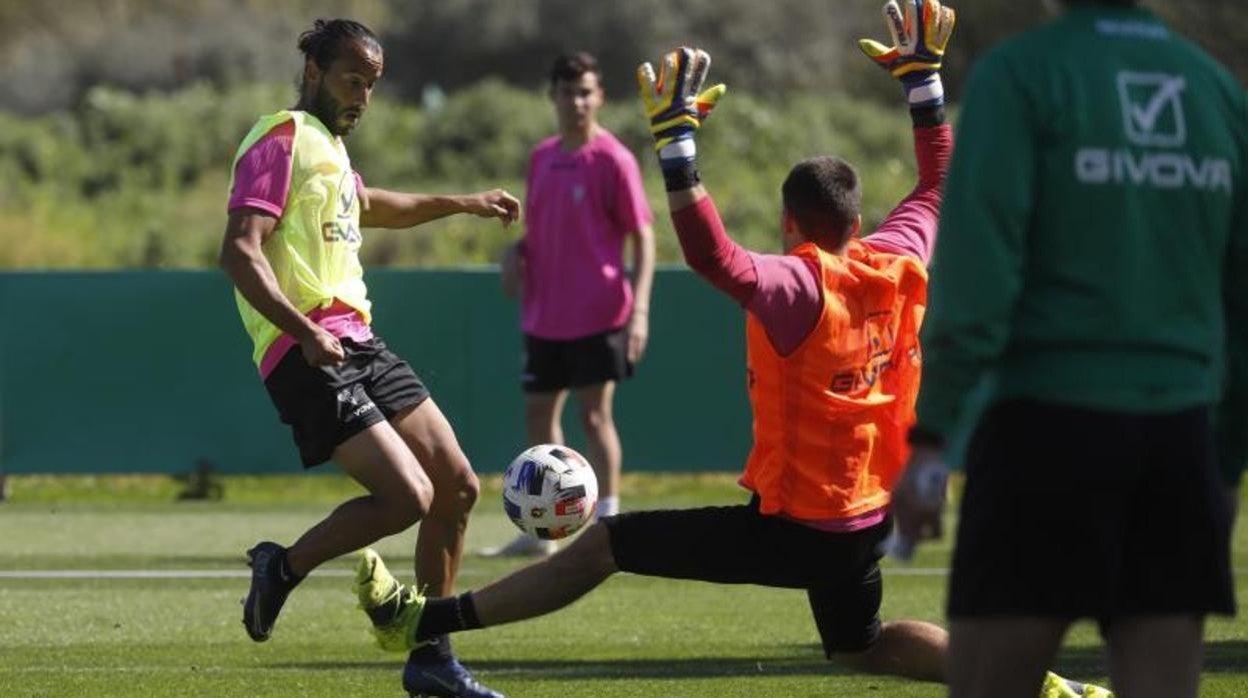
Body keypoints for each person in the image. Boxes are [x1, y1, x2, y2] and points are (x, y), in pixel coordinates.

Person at [351, 6, 1107, 695]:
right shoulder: (897, 254)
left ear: (788, 221)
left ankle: (419, 624)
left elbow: (713, 257)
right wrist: (923, 83)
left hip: (803, 528)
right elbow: (941, 180)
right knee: (860, 645)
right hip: (868, 510)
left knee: (603, 545)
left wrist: (678, 146)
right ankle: (1047, 689)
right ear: (856, 215)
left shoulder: (800, 287)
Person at [890, 1, 1244, 696]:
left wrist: (930, 437)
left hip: (1046, 433)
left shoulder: (1021, 75)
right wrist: (1225, 458)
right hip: (1180, 438)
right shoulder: (1212, 88)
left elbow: (978, 283)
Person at [218, 18, 518, 698]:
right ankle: (283, 567)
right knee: (407, 496)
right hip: (305, 350)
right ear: (316, 71)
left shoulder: (327, 148)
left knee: (458, 488)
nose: (363, 96)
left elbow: (374, 204)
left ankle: (432, 659)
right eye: (353, 79)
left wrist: (461, 203)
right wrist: (302, 330)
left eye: (373, 85)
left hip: (359, 341)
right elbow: (239, 250)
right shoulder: (280, 139)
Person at [488, 51, 656, 557]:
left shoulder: (614, 159)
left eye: (585, 91)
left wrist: (640, 311)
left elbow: (643, 237)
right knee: (539, 416)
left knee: (595, 417)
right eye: (567, 92)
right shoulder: (541, 156)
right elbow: (539, 228)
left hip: (600, 311)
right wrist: (515, 253)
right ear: (553, 97)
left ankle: (609, 523)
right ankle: (545, 529)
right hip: (545, 313)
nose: (577, 101)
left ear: (599, 95)